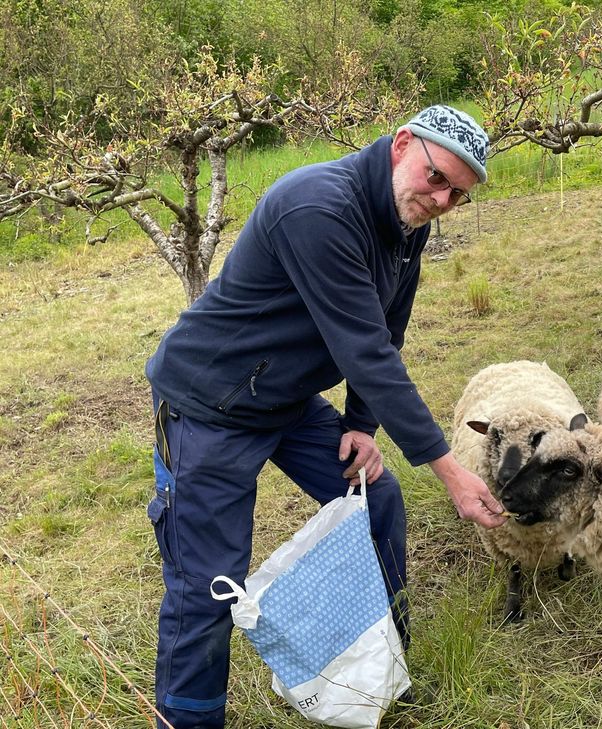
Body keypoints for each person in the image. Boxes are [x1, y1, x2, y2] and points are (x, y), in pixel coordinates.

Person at [144, 105, 507, 729]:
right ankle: (186, 720)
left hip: (283, 398)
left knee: (378, 497)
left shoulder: (406, 218)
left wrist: (361, 425)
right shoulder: (318, 207)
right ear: (401, 146)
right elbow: (363, 350)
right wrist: (451, 472)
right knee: (208, 580)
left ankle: (381, 667)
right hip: (211, 404)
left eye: (458, 195)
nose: (443, 200)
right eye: (438, 179)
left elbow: (386, 331)